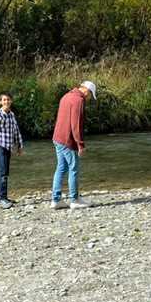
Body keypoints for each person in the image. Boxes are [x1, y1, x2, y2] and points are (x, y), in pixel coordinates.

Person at [50, 80, 96, 210]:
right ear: (87, 90)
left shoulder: (66, 96)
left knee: (61, 168)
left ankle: (56, 200)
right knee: (73, 168)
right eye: (90, 95)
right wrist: (80, 144)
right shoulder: (78, 100)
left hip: (57, 137)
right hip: (67, 140)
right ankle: (74, 199)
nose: (89, 98)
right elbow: (76, 125)